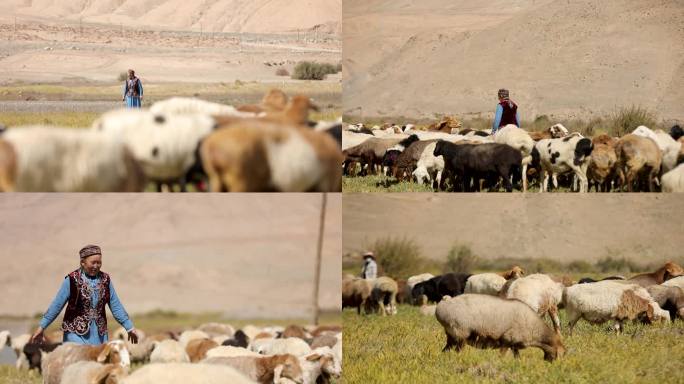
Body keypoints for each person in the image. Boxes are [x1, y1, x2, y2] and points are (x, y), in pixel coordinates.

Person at [31, 245, 139, 345]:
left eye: (99, 263)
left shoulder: (106, 280)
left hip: (99, 335)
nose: (96, 266)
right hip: (74, 335)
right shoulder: (71, 280)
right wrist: (41, 328)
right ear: (83, 262)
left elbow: (116, 306)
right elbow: (56, 306)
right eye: (93, 263)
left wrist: (129, 327)